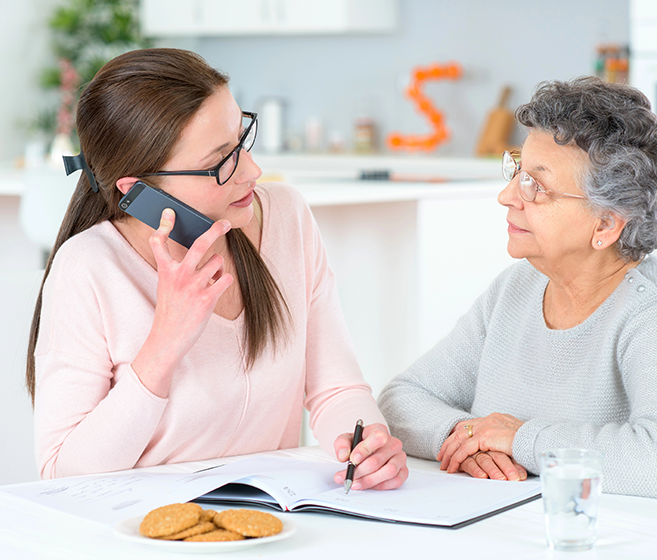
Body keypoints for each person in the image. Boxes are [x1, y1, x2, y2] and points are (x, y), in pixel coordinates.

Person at [26, 48, 407, 491]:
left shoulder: (287, 219)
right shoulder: (88, 267)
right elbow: (61, 474)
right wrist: (163, 346)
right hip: (138, 532)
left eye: (242, 141)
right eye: (221, 161)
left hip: (267, 525)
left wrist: (365, 444)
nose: (253, 170)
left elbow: (336, 390)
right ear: (138, 192)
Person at [377, 76, 657, 504]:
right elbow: (401, 399)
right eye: (516, 171)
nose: (507, 196)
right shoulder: (515, 290)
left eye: (537, 185)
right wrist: (466, 437)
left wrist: (521, 439)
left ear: (606, 223)